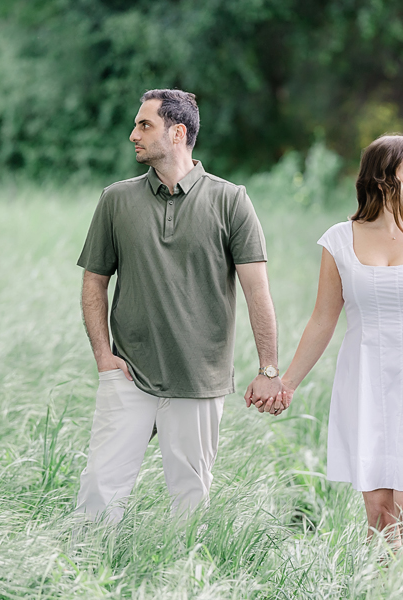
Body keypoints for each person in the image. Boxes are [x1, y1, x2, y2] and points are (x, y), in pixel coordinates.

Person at [261, 134, 403, 546]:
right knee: (380, 512)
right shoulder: (339, 240)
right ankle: (384, 580)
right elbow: (322, 319)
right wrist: (287, 383)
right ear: (384, 180)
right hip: (365, 382)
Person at [74, 89, 284, 524]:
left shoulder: (231, 200)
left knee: (190, 499)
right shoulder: (116, 199)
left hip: (198, 378)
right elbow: (94, 280)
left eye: (144, 125)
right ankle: (87, 563)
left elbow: (257, 291)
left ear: (177, 133)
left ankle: (179, 566)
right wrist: (103, 356)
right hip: (128, 372)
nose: (133, 134)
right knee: (99, 487)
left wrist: (269, 369)